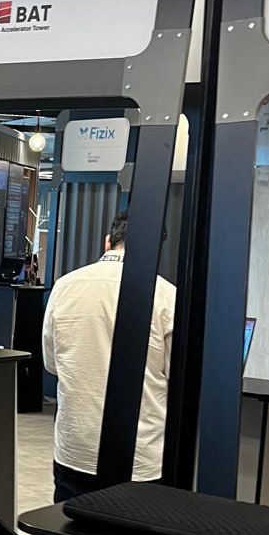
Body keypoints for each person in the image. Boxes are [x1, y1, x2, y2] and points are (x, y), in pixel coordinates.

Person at [41, 211, 175, 503]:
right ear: (156, 249)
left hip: (76, 448)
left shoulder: (64, 286)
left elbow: (51, 364)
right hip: (140, 454)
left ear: (107, 242)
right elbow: (175, 376)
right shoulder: (166, 296)